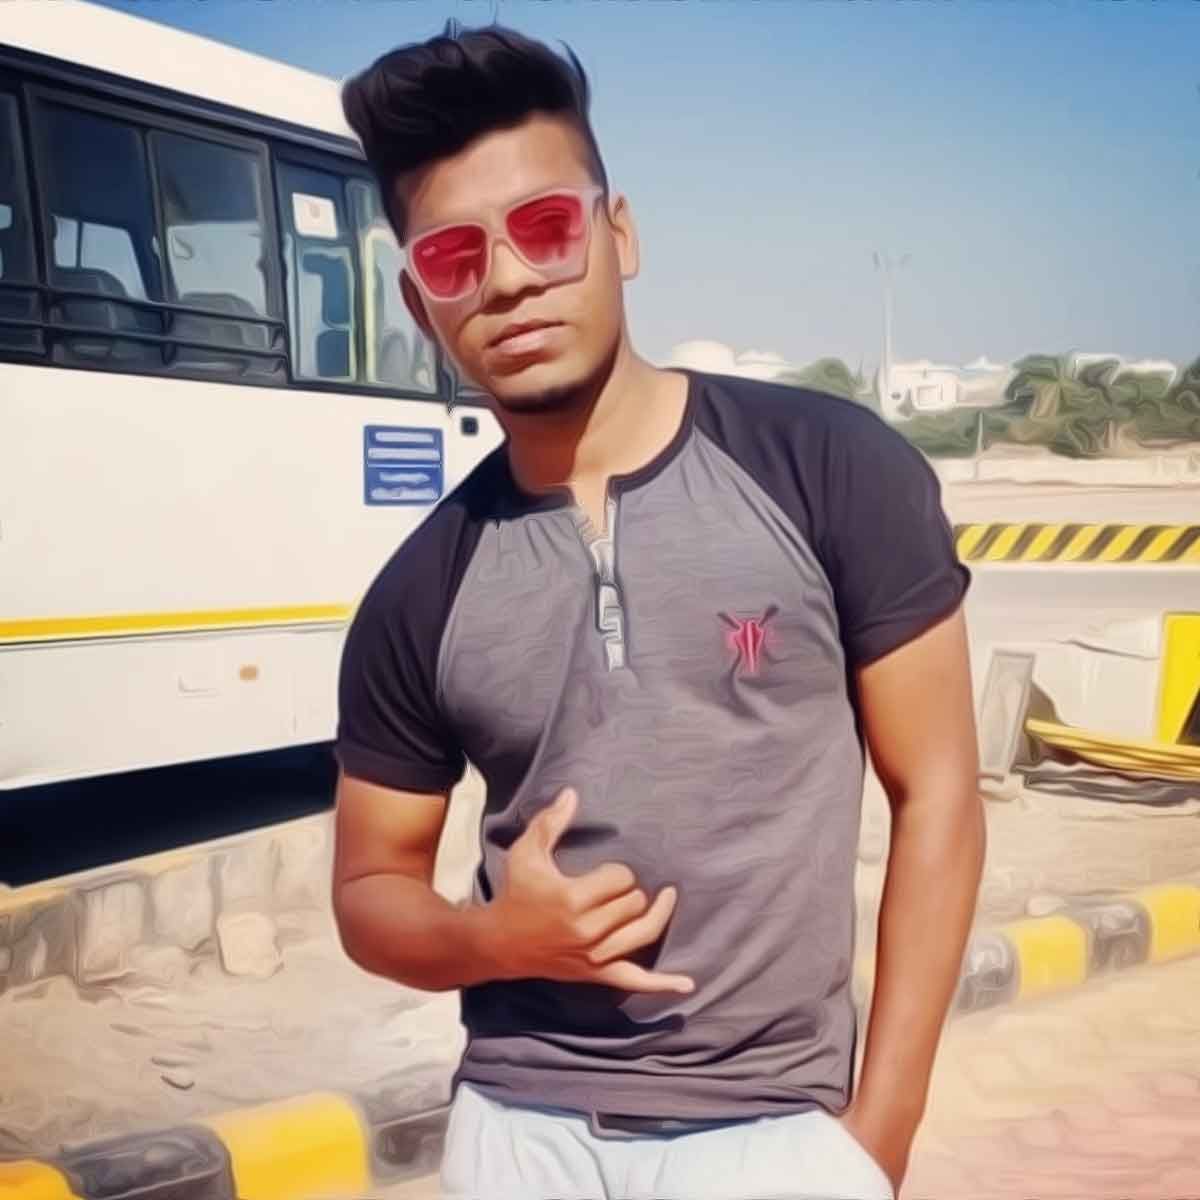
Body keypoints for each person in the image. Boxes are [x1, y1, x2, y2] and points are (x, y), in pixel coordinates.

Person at [331, 20, 986, 1200]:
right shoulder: (421, 589)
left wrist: (879, 1133)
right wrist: (493, 939)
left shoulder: (827, 468)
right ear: (422, 304)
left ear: (618, 234)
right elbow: (369, 891)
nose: (510, 279)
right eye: (455, 256)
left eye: (546, 226)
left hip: (776, 1130)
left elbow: (938, 790)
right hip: (518, 1128)